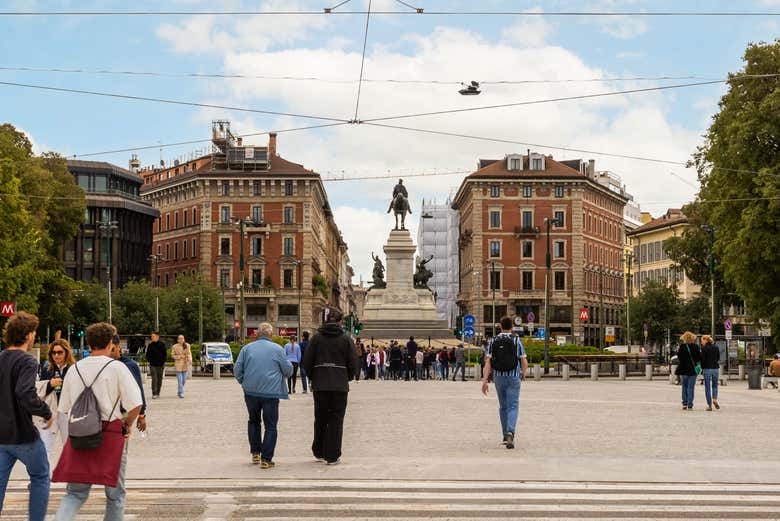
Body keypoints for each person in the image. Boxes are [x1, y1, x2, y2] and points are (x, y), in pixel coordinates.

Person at [54, 322, 142, 521]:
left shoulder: (74, 369)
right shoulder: (117, 368)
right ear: (111, 343)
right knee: (115, 495)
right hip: (110, 434)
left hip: (80, 435)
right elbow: (136, 403)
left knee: (75, 493)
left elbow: (64, 408)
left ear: (88, 343)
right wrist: (128, 424)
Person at [0, 312, 54, 521]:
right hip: (22, 434)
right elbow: (25, 393)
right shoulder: (27, 361)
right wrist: (45, 411)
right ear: (28, 335)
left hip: (1, 436)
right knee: (40, 476)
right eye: (34, 333)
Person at [302, 310, 359, 465]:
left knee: (320, 418)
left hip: (320, 384)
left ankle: (319, 451)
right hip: (339, 385)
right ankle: (332, 455)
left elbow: (307, 361)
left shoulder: (316, 338)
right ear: (340, 322)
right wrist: (346, 377)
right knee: (336, 419)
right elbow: (353, 363)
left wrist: (314, 377)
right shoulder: (346, 339)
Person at [234, 322, 293, 469]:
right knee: (271, 426)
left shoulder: (246, 349)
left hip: (250, 392)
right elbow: (287, 371)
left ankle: (255, 452)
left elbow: (237, 369)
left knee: (253, 421)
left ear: (257, 334)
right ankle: (266, 459)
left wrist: (244, 382)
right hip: (271, 393)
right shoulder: (278, 349)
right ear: (271, 335)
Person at [481, 317, 528, 450]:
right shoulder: (517, 340)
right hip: (513, 377)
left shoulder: (493, 341)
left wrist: (485, 381)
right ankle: (510, 432)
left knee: (503, 406)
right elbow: (524, 361)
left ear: (500, 326)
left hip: (499, 377)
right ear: (512, 326)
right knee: (513, 405)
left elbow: (488, 363)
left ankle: (504, 434)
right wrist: (522, 374)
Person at [41, 338, 76, 445]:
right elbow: (41, 390)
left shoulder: (74, 369)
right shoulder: (47, 369)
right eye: (54, 352)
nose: (56, 355)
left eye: (60, 352)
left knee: (69, 446)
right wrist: (50, 385)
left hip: (67, 412)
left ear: (66, 353)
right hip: (50, 411)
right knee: (45, 446)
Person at [111, 335, 147, 433]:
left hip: (123, 413)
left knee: (121, 445)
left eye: (112, 348)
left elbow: (139, 390)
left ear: (118, 347)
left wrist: (142, 414)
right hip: (105, 414)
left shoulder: (130, 365)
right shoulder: (103, 364)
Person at [675, 331, 701, 410]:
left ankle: (684, 403)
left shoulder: (682, 347)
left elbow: (679, 357)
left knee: (684, 386)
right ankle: (690, 404)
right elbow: (699, 358)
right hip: (693, 370)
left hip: (683, 369)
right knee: (691, 387)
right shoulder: (696, 346)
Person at [700, 335, 720, 411]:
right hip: (715, 369)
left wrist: (702, 367)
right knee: (715, 386)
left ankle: (709, 405)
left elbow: (702, 360)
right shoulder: (716, 347)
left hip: (707, 369)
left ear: (706, 340)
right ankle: (714, 399)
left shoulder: (704, 348)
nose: (701, 342)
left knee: (707, 387)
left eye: (702, 340)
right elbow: (718, 358)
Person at [145, 332, 167, 399]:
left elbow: (165, 354)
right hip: (152, 365)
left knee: (159, 379)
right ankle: (154, 393)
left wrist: (163, 362)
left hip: (160, 365)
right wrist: (149, 360)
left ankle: (158, 393)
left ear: (157, 337)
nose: (152, 337)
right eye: (151, 336)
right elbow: (147, 354)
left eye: (153, 336)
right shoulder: (150, 345)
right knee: (154, 379)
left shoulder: (162, 344)